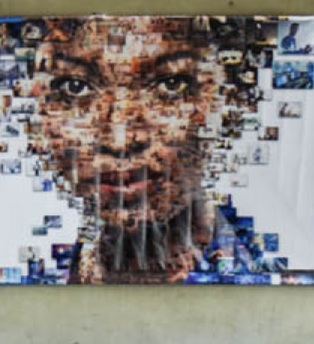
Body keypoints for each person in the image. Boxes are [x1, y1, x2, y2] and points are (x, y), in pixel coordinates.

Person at [27, 16, 255, 284]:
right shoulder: (53, 273)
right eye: (75, 88)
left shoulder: (251, 280)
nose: (119, 140)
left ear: (227, 102)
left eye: (170, 85)